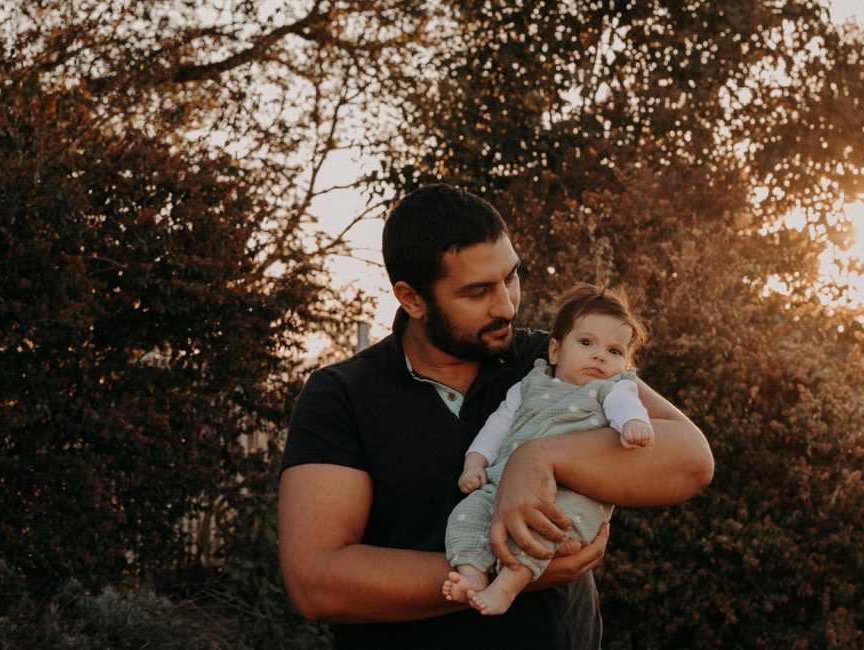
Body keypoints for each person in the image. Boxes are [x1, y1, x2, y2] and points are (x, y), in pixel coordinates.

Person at [277, 184, 714, 649]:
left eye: (510, 277)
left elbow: (690, 459)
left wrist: (538, 458)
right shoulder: (342, 395)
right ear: (412, 299)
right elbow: (317, 582)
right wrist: (507, 575)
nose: (505, 305)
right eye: (477, 291)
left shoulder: (550, 361)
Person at [443, 282, 655, 616]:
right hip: (502, 484)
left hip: (569, 496)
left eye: (615, 351)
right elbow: (498, 425)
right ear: (555, 351)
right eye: (586, 343)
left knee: (546, 531)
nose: (600, 355)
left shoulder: (612, 389)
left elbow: (625, 406)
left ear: (626, 364)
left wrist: (632, 424)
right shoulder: (530, 384)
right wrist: (475, 462)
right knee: (466, 516)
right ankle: (471, 573)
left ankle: (508, 585)